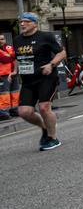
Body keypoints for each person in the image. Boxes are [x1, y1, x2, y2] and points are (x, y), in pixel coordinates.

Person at [14, 13, 65, 151]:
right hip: (28, 81)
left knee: (44, 107)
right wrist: (14, 70)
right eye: (21, 22)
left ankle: (53, 138)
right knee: (24, 112)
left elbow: (61, 53)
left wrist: (51, 64)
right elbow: (17, 57)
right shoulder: (17, 39)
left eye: (26, 22)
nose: (22, 24)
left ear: (35, 24)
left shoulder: (46, 37)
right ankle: (44, 127)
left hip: (46, 78)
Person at [0, 36, 17, 119]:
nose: (1, 41)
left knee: (15, 92)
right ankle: (4, 112)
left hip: (13, 73)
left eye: (2, 39)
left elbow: (16, 57)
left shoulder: (9, 47)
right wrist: (11, 57)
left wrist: (15, 71)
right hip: (3, 75)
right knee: (4, 94)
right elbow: (4, 59)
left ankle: (14, 110)